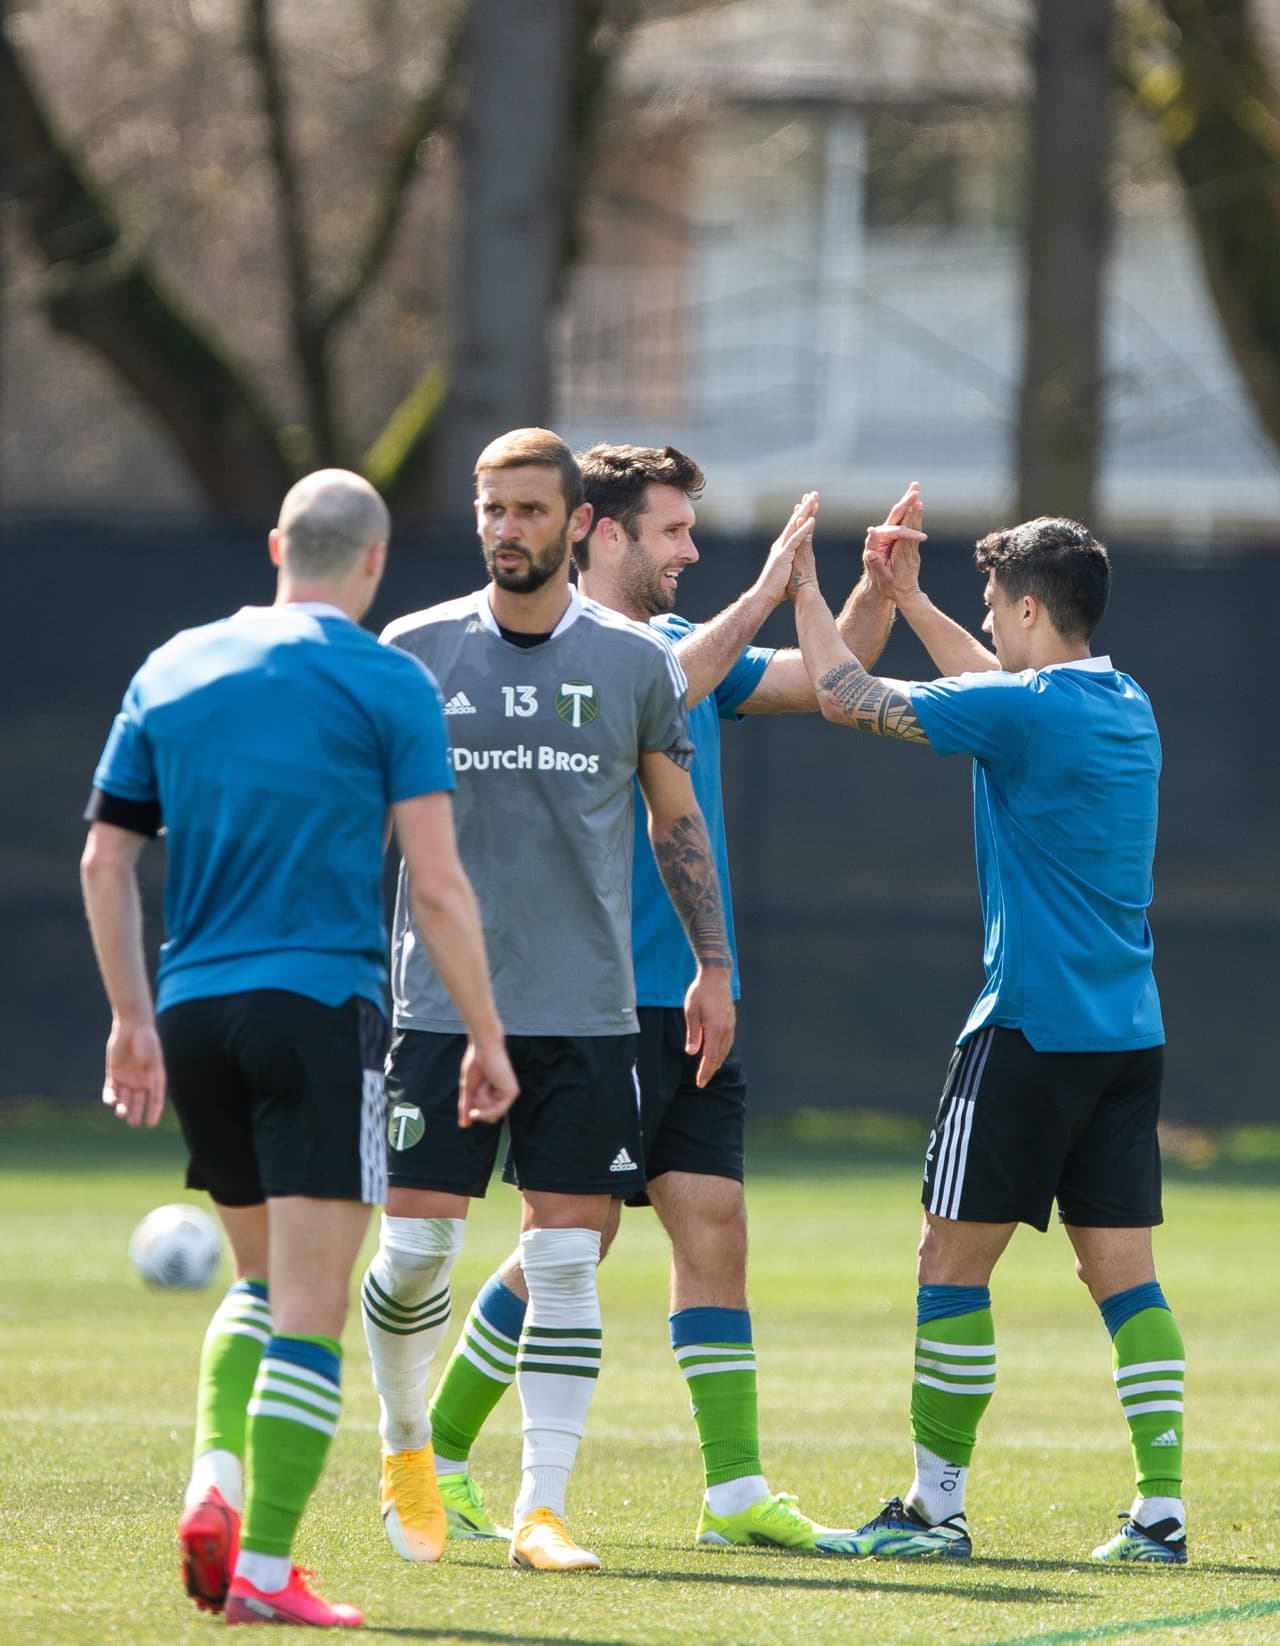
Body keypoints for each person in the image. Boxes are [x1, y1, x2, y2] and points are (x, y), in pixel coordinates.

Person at [422, 445, 920, 1555]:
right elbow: (664, 683)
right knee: (572, 1235)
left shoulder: (677, 646)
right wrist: (763, 587)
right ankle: (438, 1448)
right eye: (671, 531)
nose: (689, 549)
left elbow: (818, 685)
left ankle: (735, 1490)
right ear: (601, 530)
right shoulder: (578, 653)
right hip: (589, 994)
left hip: (689, 990)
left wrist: (862, 595)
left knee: (713, 1222)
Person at [81, 470, 517, 1629]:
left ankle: (214, 1486)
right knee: (311, 1310)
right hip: (316, 1009)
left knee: (263, 1279)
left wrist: (131, 1016)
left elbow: (105, 861)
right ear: (371, 564)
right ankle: (265, 1573)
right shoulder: (388, 680)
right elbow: (435, 881)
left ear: (278, 545)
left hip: (191, 1010)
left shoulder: (170, 665)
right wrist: (483, 1032)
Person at [360, 428, 736, 1573]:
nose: (505, 530)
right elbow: (358, 820)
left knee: (568, 1257)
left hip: (586, 1011)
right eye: (490, 510)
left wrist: (711, 966)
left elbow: (676, 820)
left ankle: (542, 1508)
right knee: (417, 1247)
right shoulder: (411, 650)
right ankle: (405, 1445)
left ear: (578, 524)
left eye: (528, 510)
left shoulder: (633, 660)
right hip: (435, 1006)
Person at [785, 507, 1183, 1564]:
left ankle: (932, 1507)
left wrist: (805, 590)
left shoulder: (1028, 710)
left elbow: (842, 695)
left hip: (1024, 1029)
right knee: (1123, 1276)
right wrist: (911, 600)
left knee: (947, 1264)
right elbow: (999, 696)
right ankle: (1159, 1511)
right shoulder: (1120, 698)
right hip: (1123, 1034)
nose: (983, 621)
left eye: (985, 604)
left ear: (1023, 606)